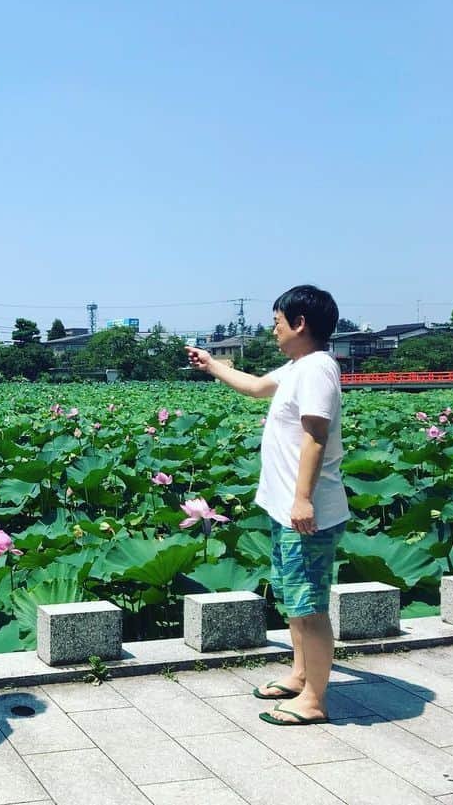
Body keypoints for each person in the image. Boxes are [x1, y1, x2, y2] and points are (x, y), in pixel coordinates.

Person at [186, 285, 349, 726]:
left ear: (300, 324)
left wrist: (302, 500)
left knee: (309, 605)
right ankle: (300, 675)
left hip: (305, 512)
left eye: (277, 321)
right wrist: (213, 365)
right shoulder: (299, 366)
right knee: (295, 598)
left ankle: (314, 700)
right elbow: (257, 387)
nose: (273, 329)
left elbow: (315, 435)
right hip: (286, 509)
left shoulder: (317, 369)